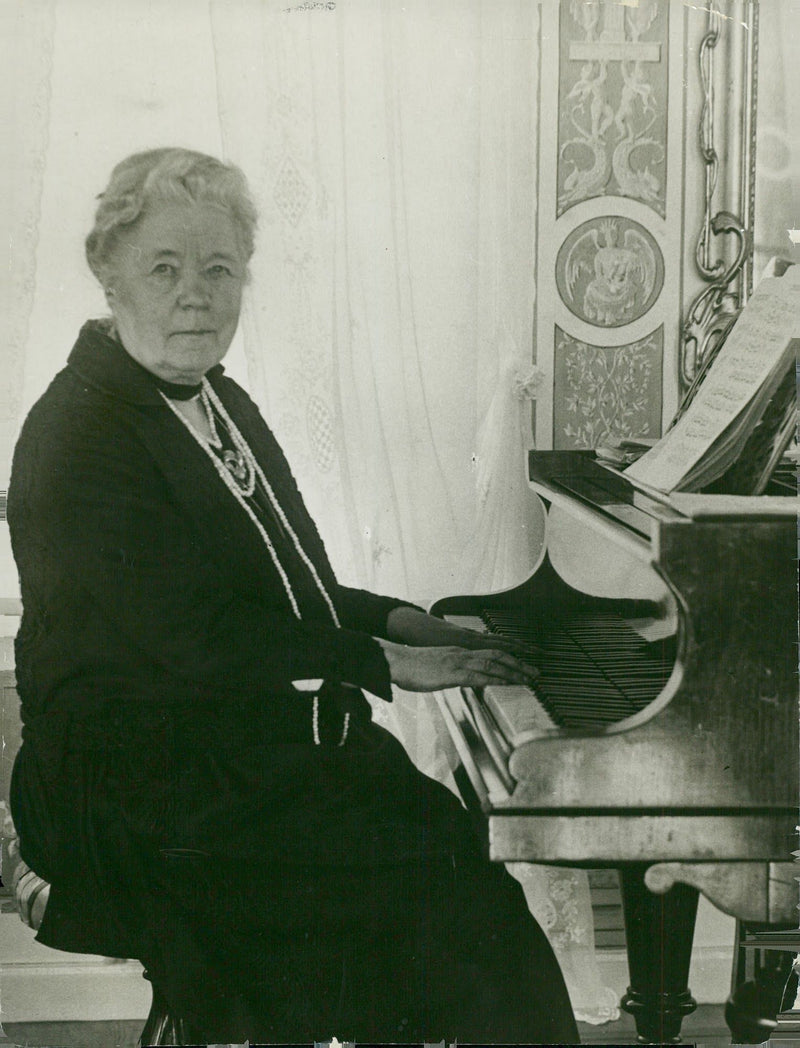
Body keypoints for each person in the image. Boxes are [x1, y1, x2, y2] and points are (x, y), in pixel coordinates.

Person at [8, 148, 579, 1044]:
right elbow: (194, 636)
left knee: (448, 861)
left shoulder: (216, 400)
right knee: (452, 905)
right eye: (164, 269)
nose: (196, 296)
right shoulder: (79, 435)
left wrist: (409, 623)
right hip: (133, 793)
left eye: (219, 270)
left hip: (226, 760)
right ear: (108, 277)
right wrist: (384, 661)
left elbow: (292, 588)